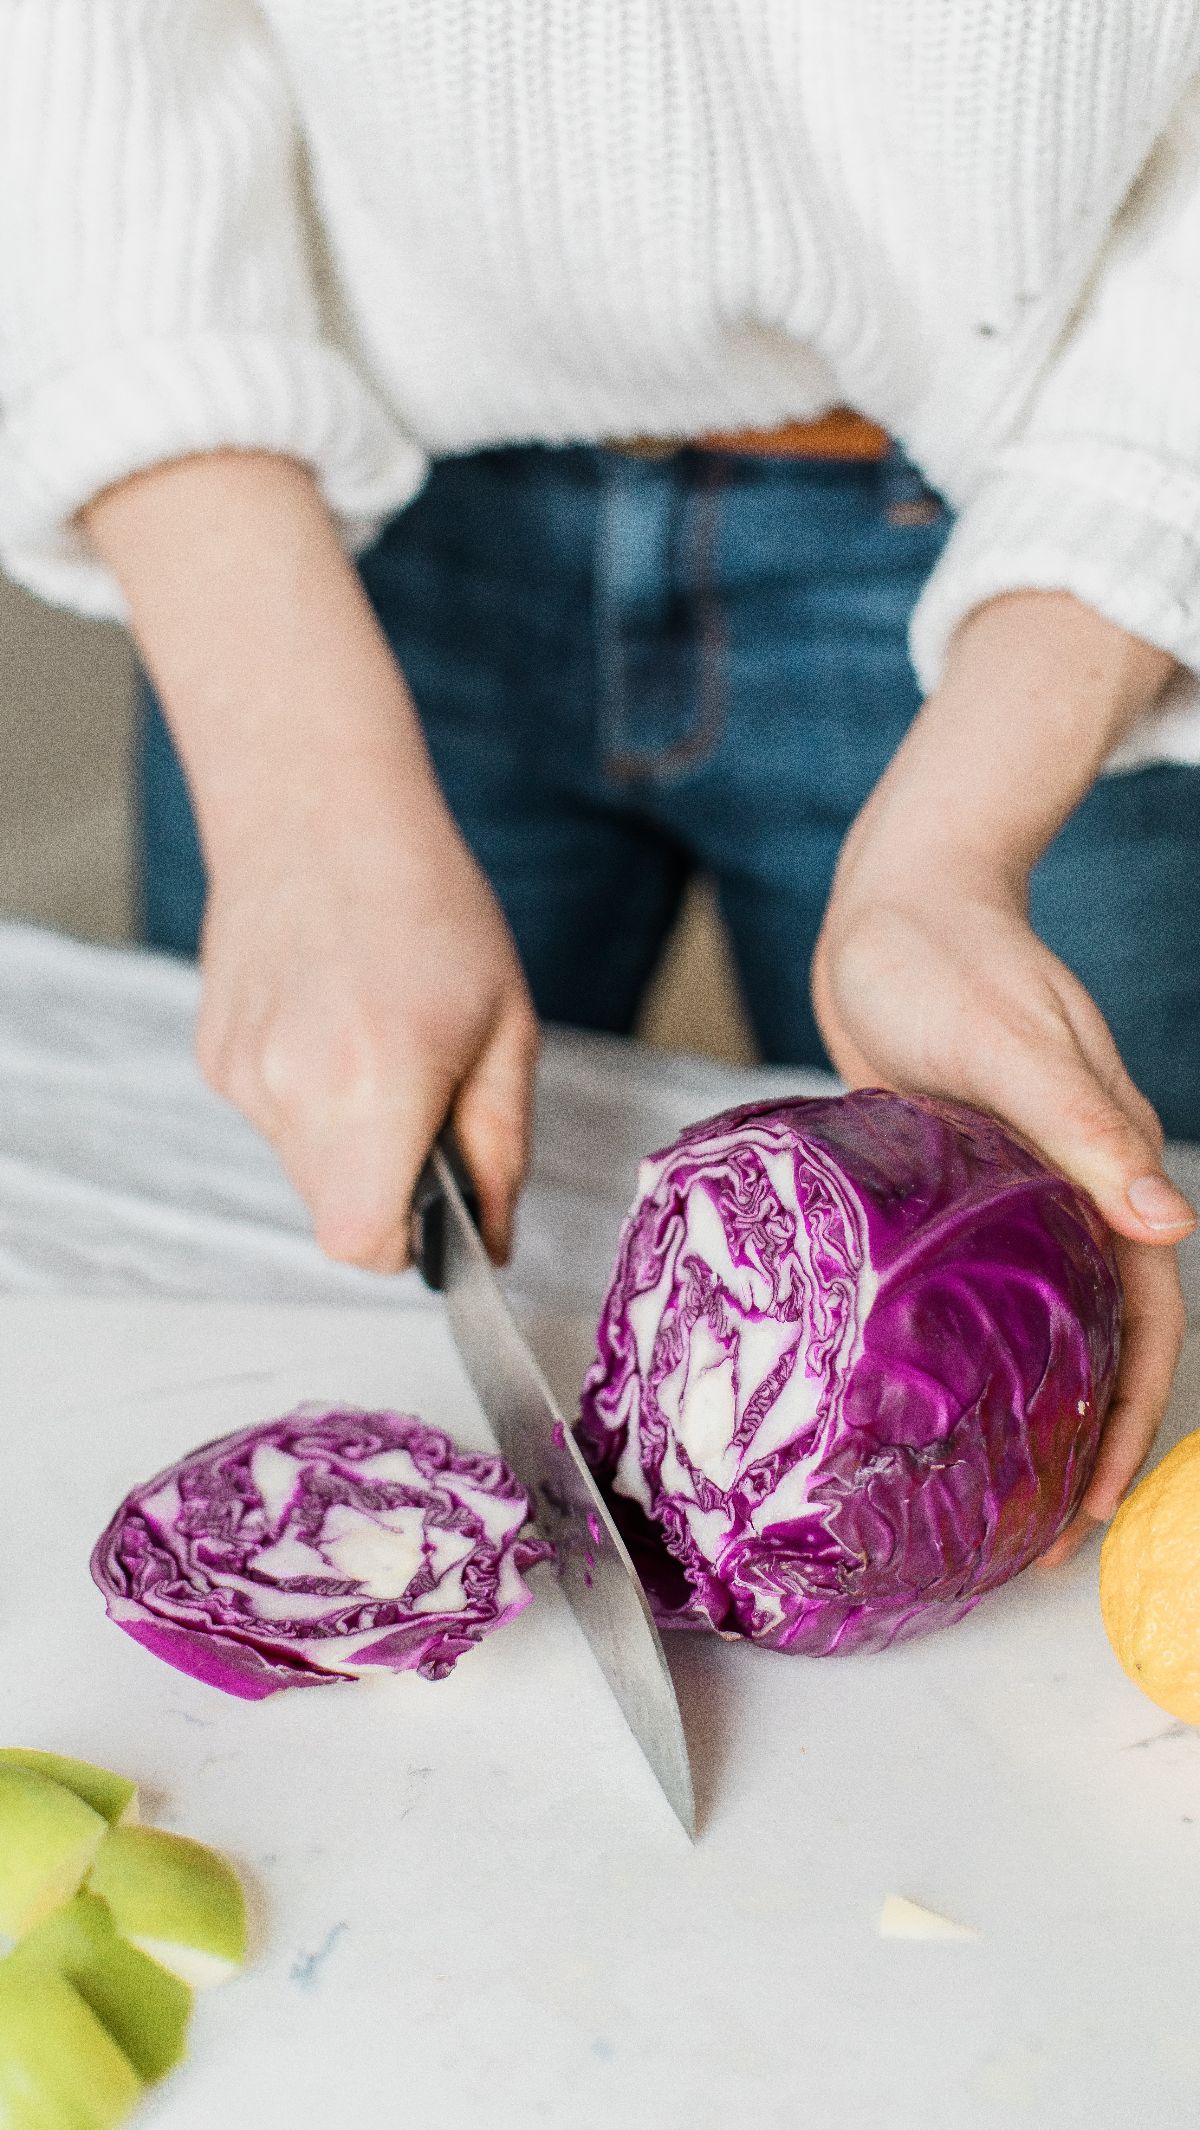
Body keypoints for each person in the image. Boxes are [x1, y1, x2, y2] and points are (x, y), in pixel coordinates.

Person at [2, 4, 1198, 1569]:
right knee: (290, 1287)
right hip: (324, 523)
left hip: (1043, 536)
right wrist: (292, 794)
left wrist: (954, 851)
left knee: (1097, 1351)